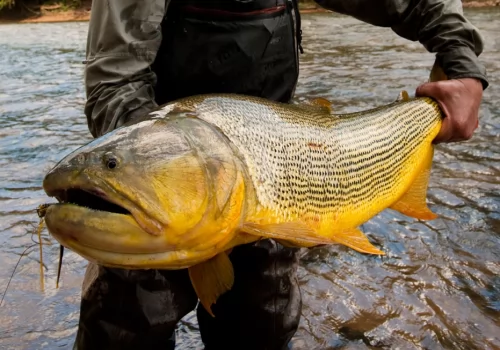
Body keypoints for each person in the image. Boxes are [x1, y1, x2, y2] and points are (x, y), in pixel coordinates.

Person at [76, 0, 488, 349]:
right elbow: (114, 84)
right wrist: (175, 171)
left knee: (260, 334)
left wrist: (462, 64)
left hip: (277, 172)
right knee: (124, 334)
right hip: (160, 185)